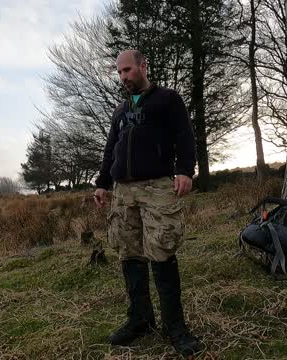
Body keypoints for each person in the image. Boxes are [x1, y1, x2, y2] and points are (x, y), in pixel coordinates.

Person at [93, 49, 201, 357]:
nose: (123, 77)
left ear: (142, 66)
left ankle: (175, 327)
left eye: (127, 70)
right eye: (119, 73)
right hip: (124, 192)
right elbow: (111, 148)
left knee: (162, 251)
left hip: (157, 188)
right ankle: (140, 319)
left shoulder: (168, 99)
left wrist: (185, 170)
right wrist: (102, 183)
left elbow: (184, 135)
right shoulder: (120, 111)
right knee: (129, 253)